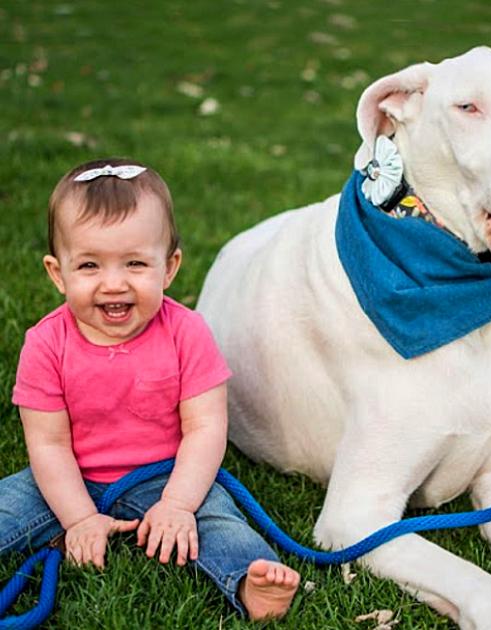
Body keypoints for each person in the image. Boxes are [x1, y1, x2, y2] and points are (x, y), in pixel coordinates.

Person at [2, 158, 300, 618]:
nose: (114, 283)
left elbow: (204, 428)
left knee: (217, 521)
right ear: (57, 273)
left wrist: (179, 503)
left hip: (165, 473)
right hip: (67, 473)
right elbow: (48, 443)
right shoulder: (44, 344)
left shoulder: (188, 333)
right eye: (89, 265)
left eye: (136, 263)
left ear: (169, 268)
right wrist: (78, 518)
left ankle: (250, 582)